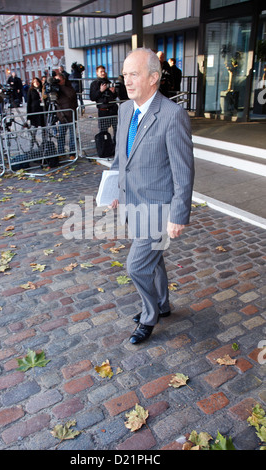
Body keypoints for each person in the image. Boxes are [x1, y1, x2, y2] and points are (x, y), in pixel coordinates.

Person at [110, 48, 194, 345]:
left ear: (154, 78)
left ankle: (150, 316)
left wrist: (178, 214)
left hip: (159, 208)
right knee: (153, 261)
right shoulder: (124, 110)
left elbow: (183, 171)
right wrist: (114, 189)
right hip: (133, 204)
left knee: (136, 266)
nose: (127, 80)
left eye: (134, 74)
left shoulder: (172, 115)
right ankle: (164, 304)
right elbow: (122, 156)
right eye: (124, 74)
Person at [90, 65, 118, 143]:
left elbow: (114, 97)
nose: (103, 73)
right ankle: (105, 146)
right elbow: (92, 97)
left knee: (116, 128)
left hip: (112, 109)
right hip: (103, 110)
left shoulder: (109, 82)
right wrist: (101, 91)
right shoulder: (94, 84)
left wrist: (113, 92)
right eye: (101, 72)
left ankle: (115, 144)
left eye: (104, 71)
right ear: (97, 73)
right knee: (103, 130)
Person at [55, 72, 78, 155]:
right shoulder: (55, 89)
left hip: (71, 115)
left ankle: (72, 153)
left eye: (59, 80)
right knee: (61, 135)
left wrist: (61, 87)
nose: (58, 82)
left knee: (72, 136)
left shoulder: (68, 87)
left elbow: (72, 95)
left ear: (64, 79)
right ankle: (60, 152)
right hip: (62, 116)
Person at [27, 77, 46, 150]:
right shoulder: (31, 91)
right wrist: (28, 116)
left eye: (37, 81)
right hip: (34, 113)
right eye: (34, 82)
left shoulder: (42, 90)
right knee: (33, 131)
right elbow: (28, 103)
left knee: (44, 130)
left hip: (42, 112)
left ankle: (44, 145)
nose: (36, 83)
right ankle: (31, 147)